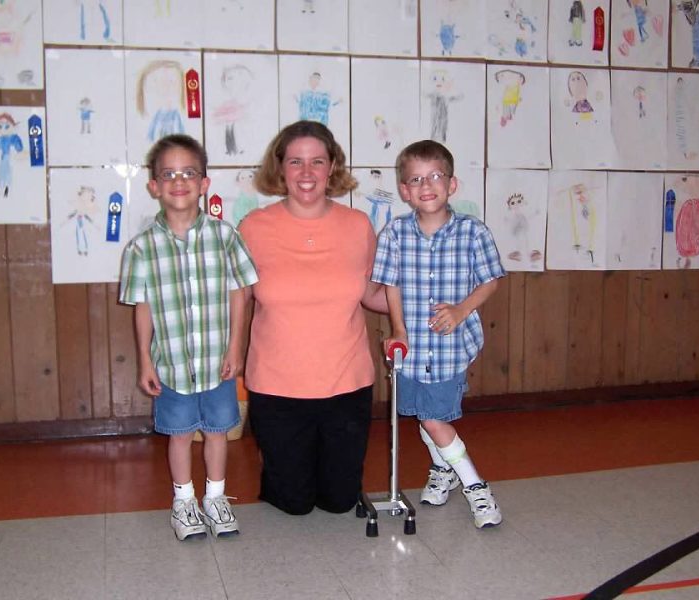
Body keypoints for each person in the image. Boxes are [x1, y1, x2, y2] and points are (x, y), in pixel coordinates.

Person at [237, 120, 387, 516]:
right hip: (277, 386)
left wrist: (428, 301)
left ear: (333, 167)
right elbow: (235, 297)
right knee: (295, 504)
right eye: (296, 162)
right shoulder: (253, 227)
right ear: (280, 168)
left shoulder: (357, 226)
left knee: (339, 502)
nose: (306, 173)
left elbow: (373, 293)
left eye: (317, 161)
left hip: (346, 383)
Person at [119, 134, 258, 540]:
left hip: (218, 360)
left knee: (217, 431)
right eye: (168, 174)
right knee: (179, 435)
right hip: (172, 364)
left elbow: (240, 291)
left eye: (189, 172)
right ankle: (183, 503)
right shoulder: (141, 248)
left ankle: (215, 497)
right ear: (154, 186)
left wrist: (236, 346)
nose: (179, 180)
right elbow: (141, 305)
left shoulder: (225, 236)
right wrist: (146, 360)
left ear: (204, 183)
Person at [371, 140, 506, 529]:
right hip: (411, 349)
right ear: (403, 190)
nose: (425, 185)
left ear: (452, 184)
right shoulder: (395, 234)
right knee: (422, 414)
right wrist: (398, 328)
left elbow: (491, 280)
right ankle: (442, 471)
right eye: (415, 179)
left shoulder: (472, 232)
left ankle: (475, 486)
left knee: (433, 419)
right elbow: (391, 285)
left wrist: (463, 309)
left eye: (434, 176)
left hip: (449, 349)